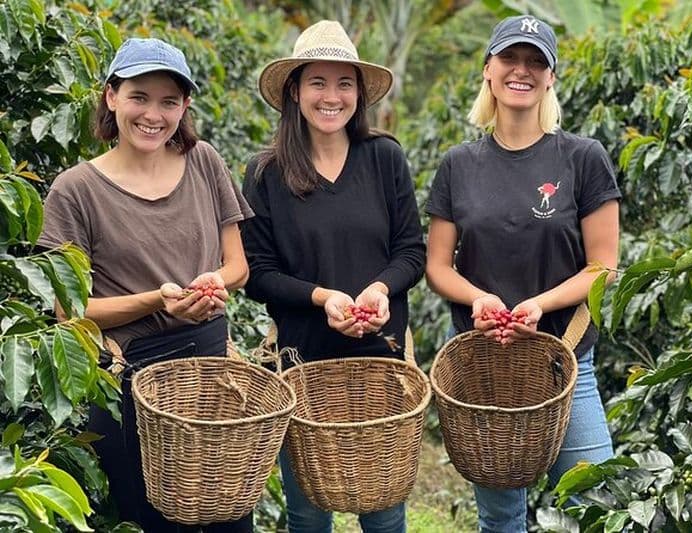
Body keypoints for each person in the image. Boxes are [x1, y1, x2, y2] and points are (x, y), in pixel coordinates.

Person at [39, 38, 254, 532]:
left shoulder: (204, 162)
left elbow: (238, 266)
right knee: (152, 518)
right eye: (139, 97)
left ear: (185, 106)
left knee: (229, 513)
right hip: (129, 376)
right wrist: (158, 300)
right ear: (111, 96)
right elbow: (69, 312)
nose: (153, 115)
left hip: (209, 372)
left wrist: (211, 284)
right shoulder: (76, 190)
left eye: (168, 101)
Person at [425, 15, 621, 533]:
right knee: (500, 517)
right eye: (510, 58)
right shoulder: (459, 164)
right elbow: (437, 266)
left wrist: (539, 305)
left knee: (597, 503)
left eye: (536, 61)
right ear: (488, 70)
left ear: (551, 77)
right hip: (486, 365)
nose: (522, 70)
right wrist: (479, 298)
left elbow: (603, 266)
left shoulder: (583, 158)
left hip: (565, 359)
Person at [241, 20, 425, 533]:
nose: (331, 97)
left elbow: (411, 250)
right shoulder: (266, 172)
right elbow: (257, 273)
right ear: (294, 91)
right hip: (304, 362)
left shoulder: (384, 157)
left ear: (359, 94)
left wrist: (380, 288)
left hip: (379, 359)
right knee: (307, 513)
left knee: (383, 509)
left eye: (344, 83)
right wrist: (322, 297)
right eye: (317, 82)